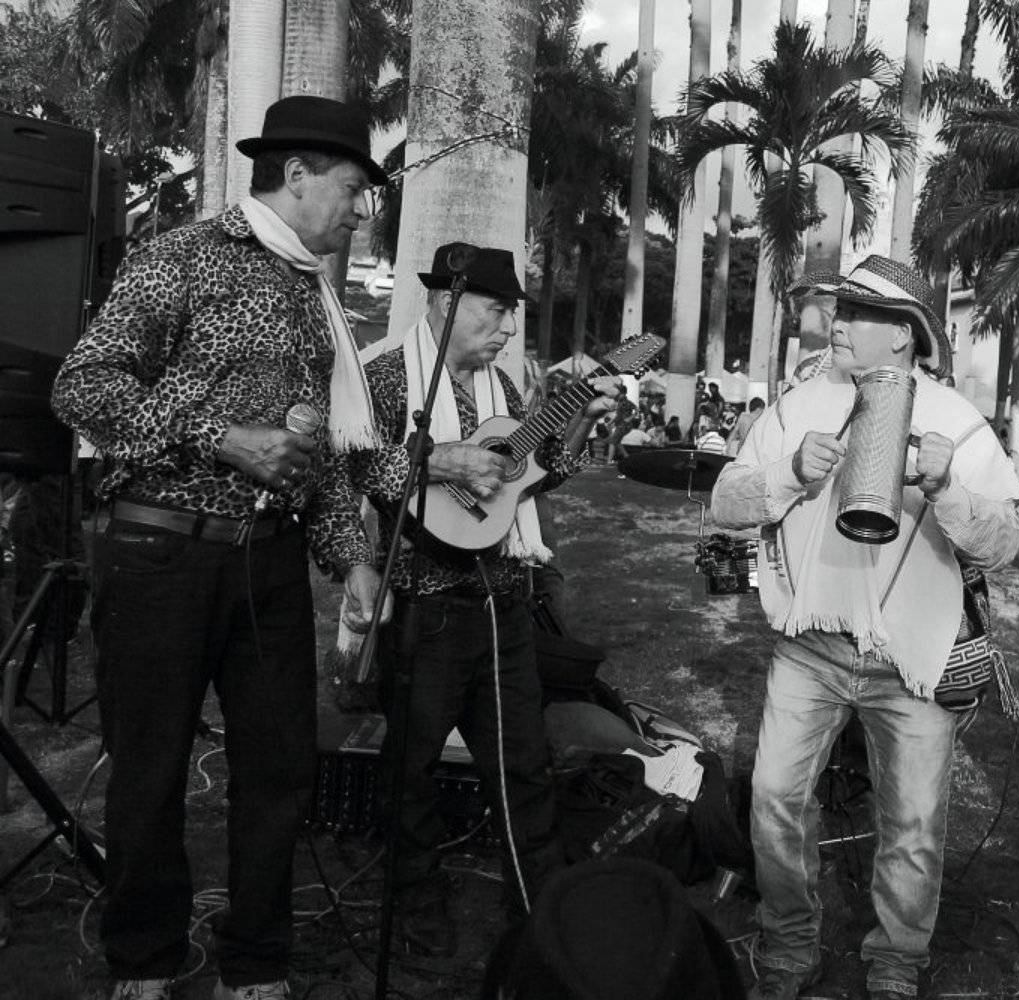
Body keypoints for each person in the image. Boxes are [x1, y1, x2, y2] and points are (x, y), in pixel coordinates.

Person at [51, 96, 387, 1000]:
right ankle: (146, 962)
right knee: (151, 771)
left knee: (280, 770)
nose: (361, 211)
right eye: (353, 188)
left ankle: (256, 965)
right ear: (297, 175)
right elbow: (83, 385)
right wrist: (222, 437)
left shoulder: (315, 295)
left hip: (269, 562)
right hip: (161, 554)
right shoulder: (184, 256)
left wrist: (351, 557)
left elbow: (317, 456)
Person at [710, 256, 1019, 1000]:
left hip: (911, 658)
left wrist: (946, 490)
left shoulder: (955, 421)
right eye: (839, 309)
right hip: (809, 648)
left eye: (858, 313)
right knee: (775, 800)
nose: (838, 323)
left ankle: (895, 966)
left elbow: (1004, 545)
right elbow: (725, 504)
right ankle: (790, 948)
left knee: (913, 826)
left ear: (905, 334)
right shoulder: (795, 406)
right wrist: (790, 472)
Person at [336, 245, 620, 955]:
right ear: (445, 302)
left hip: (502, 604)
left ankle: (540, 915)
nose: (506, 329)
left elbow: (531, 477)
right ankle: (415, 903)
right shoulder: (383, 376)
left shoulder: (504, 390)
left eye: (511, 316)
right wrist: (436, 461)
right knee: (410, 768)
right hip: (421, 607)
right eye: (494, 312)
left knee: (523, 764)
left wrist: (582, 419)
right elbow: (349, 464)